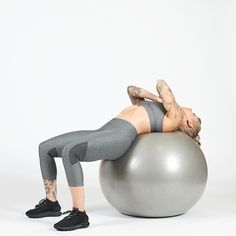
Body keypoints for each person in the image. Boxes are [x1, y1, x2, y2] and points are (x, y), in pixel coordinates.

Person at [25, 79, 201, 231]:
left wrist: (164, 100)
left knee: (70, 152)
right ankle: (51, 203)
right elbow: (131, 89)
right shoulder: (163, 108)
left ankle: (79, 214)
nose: (191, 109)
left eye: (193, 114)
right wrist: (157, 100)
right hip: (104, 130)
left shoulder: (175, 116)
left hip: (120, 137)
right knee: (45, 148)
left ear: (188, 122)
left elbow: (161, 83)